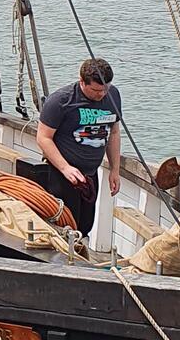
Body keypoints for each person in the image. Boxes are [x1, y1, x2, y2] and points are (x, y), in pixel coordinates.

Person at [37, 57, 122, 237]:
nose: (102, 95)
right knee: (66, 223)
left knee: (85, 225)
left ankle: (79, 255)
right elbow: (43, 137)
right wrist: (65, 168)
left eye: (105, 89)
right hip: (63, 173)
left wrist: (115, 169)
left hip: (90, 173)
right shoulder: (61, 101)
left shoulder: (112, 95)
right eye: (96, 90)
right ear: (82, 82)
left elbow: (113, 132)